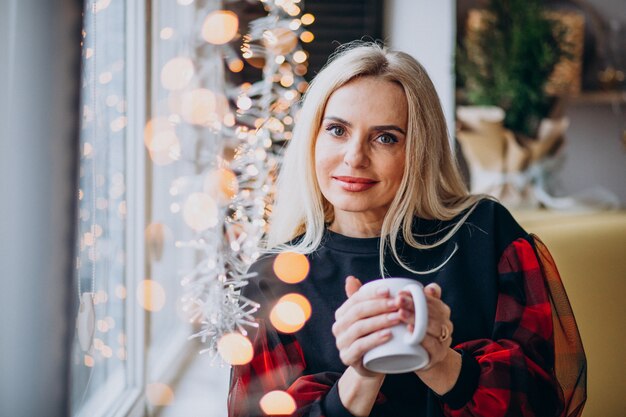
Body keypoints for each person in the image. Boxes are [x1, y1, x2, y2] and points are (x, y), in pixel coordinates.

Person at [228, 42, 586, 417]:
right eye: (336, 130)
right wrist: (363, 375)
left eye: (386, 138)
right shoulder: (276, 276)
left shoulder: (485, 233)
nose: (354, 157)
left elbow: (544, 400)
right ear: (312, 139)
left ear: (420, 149)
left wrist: (438, 360)